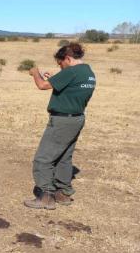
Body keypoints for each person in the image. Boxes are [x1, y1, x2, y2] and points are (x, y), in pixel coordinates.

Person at [24, 42, 96, 209]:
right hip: (77, 118)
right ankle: (62, 193)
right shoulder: (88, 72)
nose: (60, 66)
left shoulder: (71, 72)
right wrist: (54, 78)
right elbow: (71, 88)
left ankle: (46, 196)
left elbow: (42, 86)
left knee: (43, 158)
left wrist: (35, 73)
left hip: (62, 121)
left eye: (60, 63)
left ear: (68, 58)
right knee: (64, 158)